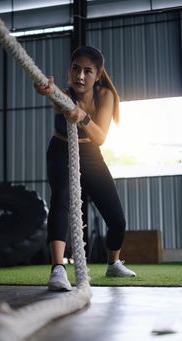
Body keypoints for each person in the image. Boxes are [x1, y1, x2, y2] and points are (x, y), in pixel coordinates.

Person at [34, 46, 136, 292]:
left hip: (91, 154)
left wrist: (83, 117)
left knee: (117, 220)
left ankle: (113, 263)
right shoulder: (64, 95)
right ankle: (58, 268)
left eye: (88, 71)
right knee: (61, 199)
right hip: (61, 150)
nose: (80, 76)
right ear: (70, 70)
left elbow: (100, 137)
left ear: (97, 75)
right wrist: (45, 89)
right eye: (75, 69)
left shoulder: (106, 95)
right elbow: (52, 94)